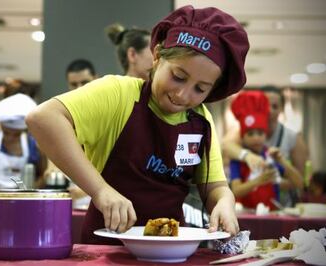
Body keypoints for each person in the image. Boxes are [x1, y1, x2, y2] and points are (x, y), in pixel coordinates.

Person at [26, 5, 250, 245]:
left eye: (200, 88)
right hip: (107, 248)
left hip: (172, 249)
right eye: (178, 76)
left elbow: (214, 187)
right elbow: (42, 119)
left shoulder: (201, 120)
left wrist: (225, 201)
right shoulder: (119, 93)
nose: (183, 95)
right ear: (157, 56)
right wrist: (100, 190)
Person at [222, 85, 309, 206]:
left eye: (260, 133)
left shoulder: (276, 152)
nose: (256, 138)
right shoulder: (237, 156)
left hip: (277, 208)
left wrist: (276, 176)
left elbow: (299, 182)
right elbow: (224, 146)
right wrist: (248, 157)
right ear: (243, 136)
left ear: (282, 109)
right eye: (251, 134)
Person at [0, 93, 47, 189]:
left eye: (16, 135)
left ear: (24, 131)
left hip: (23, 199)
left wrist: (28, 190)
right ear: (0, 126)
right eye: (6, 133)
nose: (10, 138)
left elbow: (44, 176)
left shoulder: (35, 147)